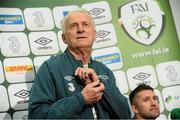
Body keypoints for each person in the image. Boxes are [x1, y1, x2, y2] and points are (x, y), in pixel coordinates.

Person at [28, 8, 131, 119]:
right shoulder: (50, 68)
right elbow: (36, 116)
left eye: (85, 24)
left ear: (95, 34)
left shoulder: (103, 70)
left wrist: (99, 84)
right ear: (64, 38)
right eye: (73, 26)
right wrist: (81, 99)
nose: (80, 29)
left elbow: (125, 114)